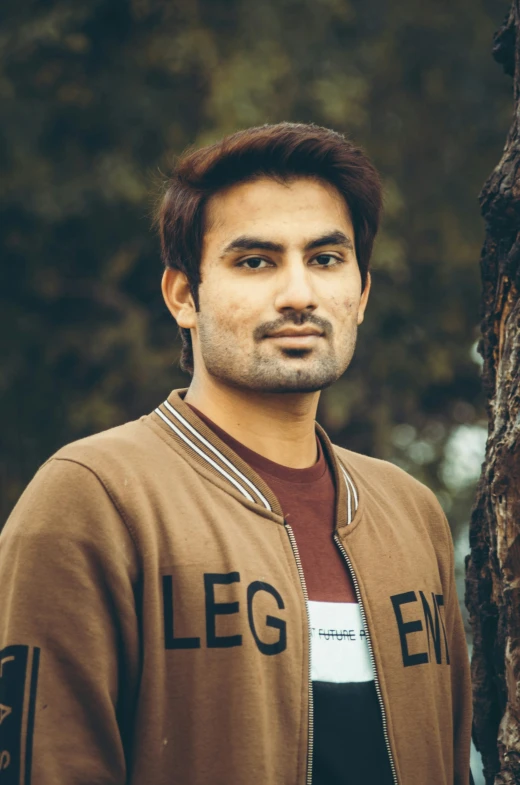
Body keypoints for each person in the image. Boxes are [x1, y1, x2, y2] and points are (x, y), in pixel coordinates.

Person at [0, 122, 472, 785]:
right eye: (256, 261)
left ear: (361, 293)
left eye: (326, 259)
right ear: (184, 295)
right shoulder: (94, 497)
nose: (299, 294)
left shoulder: (411, 513)